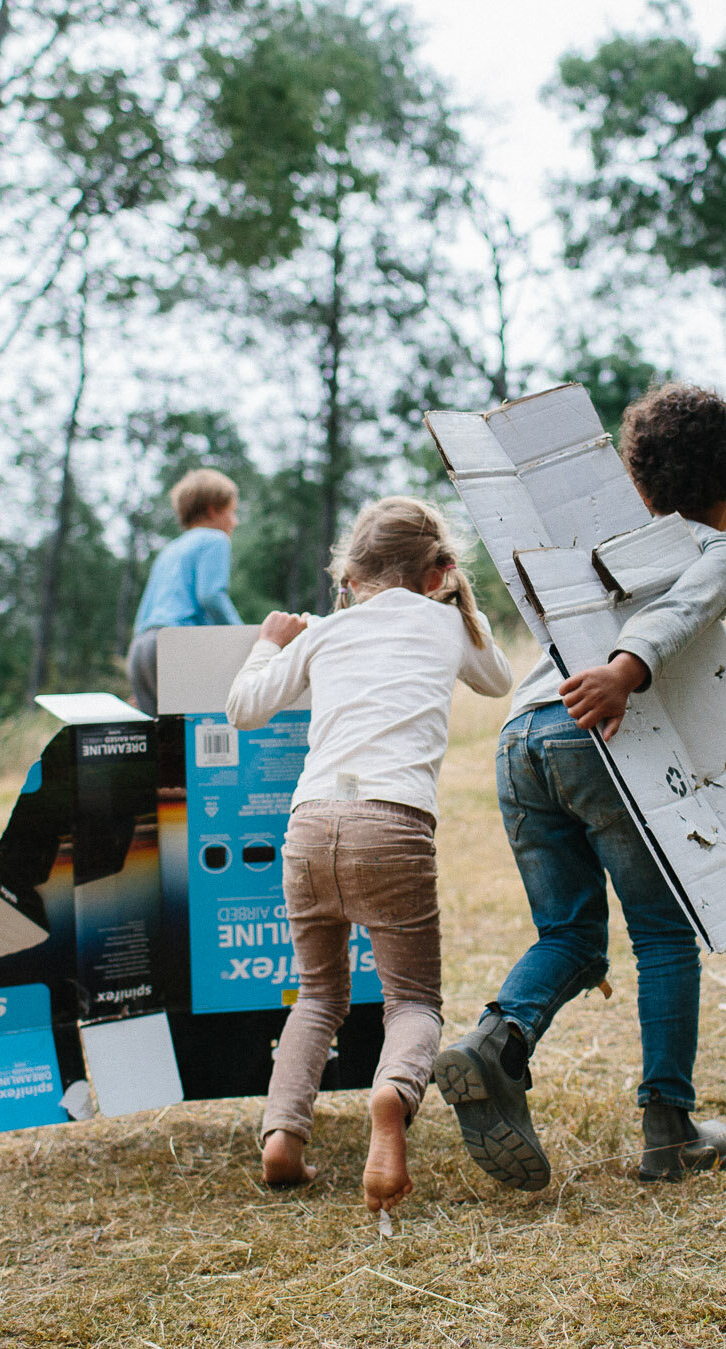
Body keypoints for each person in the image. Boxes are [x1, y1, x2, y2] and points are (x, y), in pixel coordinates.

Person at [435, 382, 726, 1191]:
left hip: (521, 739)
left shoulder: (603, 535)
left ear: (637, 484)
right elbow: (682, 612)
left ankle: (497, 1040)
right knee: (665, 932)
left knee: (571, 938)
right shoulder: (720, 548)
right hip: (596, 729)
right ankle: (669, 1124)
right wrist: (623, 671)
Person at [223, 497, 514, 1216]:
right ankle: (394, 1095)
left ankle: (283, 1138)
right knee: (411, 999)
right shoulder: (447, 622)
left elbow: (243, 707)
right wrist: (454, 598)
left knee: (319, 995)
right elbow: (499, 678)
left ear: (350, 575)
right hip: (394, 825)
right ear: (436, 570)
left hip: (309, 825)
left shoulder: (324, 633)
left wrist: (270, 640)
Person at [125, 469, 242, 717]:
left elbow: (144, 611)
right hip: (176, 644)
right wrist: (245, 638)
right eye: (231, 512)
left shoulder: (170, 550)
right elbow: (211, 595)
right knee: (194, 736)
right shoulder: (215, 539)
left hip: (141, 647)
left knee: (160, 739)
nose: (235, 521)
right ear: (212, 510)